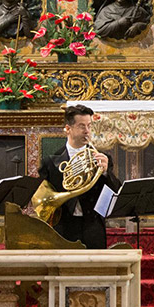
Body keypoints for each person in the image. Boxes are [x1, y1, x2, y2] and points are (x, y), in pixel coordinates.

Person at [38, 104, 122, 249]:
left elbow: (116, 191)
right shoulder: (50, 162)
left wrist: (106, 173)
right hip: (63, 229)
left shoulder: (102, 158)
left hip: (93, 228)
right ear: (68, 129)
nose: (87, 131)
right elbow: (43, 197)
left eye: (89, 126)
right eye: (81, 126)